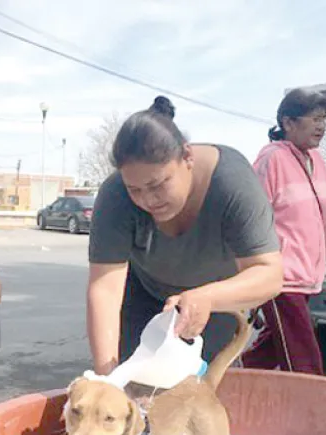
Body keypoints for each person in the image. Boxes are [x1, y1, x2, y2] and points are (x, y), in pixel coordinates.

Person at [87, 95, 283, 378]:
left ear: (187, 156)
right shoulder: (115, 196)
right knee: (134, 388)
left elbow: (270, 273)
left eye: (158, 184)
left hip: (215, 299)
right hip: (145, 295)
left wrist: (208, 297)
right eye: (135, 189)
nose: (148, 200)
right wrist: (107, 378)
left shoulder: (232, 184)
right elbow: (105, 288)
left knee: (200, 395)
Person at [240, 88, 326, 375]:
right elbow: (249, 220)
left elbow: (324, 218)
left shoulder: (317, 162)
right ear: (288, 123)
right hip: (279, 277)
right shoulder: (271, 160)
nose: (322, 126)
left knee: (277, 344)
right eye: (315, 119)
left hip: (307, 273)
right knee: (304, 359)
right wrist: (251, 276)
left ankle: (235, 378)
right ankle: (313, 411)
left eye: (325, 119)